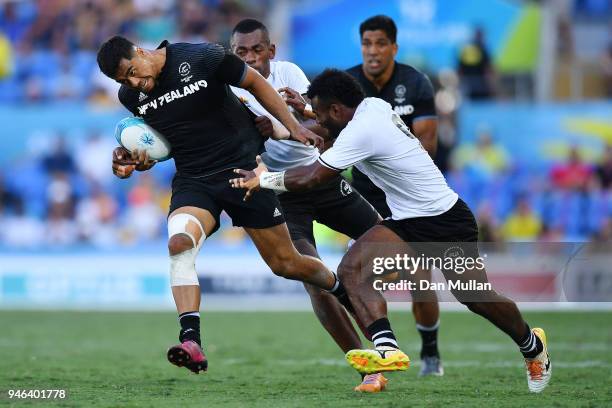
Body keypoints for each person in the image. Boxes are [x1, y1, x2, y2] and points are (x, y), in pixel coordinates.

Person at [230, 69, 552, 393]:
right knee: (352, 269)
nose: (318, 125)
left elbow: (313, 176)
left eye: (322, 115)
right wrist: (309, 110)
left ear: (338, 110)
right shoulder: (373, 105)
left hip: (447, 219)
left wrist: (264, 180)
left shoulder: (360, 132)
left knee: (475, 298)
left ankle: (532, 345)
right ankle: (388, 349)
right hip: (407, 221)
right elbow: (331, 123)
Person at [96, 36, 350, 375]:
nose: (132, 83)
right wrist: (137, 161)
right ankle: (191, 341)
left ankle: (340, 288)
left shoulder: (202, 57)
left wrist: (294, 128)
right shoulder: (131, 97)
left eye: (131, 72)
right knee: (179, 242)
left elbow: (257, 83)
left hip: (242, 173)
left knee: (286, 264)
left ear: (140, 52)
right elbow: (166, 144)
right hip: (194, 181)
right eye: (122, 81)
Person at [229, 18, 386, 392]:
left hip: (320, 178)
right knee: (313, 279)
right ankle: (370, 370)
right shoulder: (227, 91)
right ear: (232, 54)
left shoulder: (290, 75)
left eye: (256, 50)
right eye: (241, 52)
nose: (250, 58)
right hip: (282, 193)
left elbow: (323, 133)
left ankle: (388, 338)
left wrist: (285, 124)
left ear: (271, 51)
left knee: (387, 239)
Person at [346, 14, 442, 376]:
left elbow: (428, 146)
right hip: (363, 200)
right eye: (367, 44)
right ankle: (382, 353)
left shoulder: (415, 83)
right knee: (360, 277)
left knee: (419, 279)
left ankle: (430, 352)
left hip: (409, 199)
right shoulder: (348, 84)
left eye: (380, 44)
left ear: (393, 48)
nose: (373, 51)